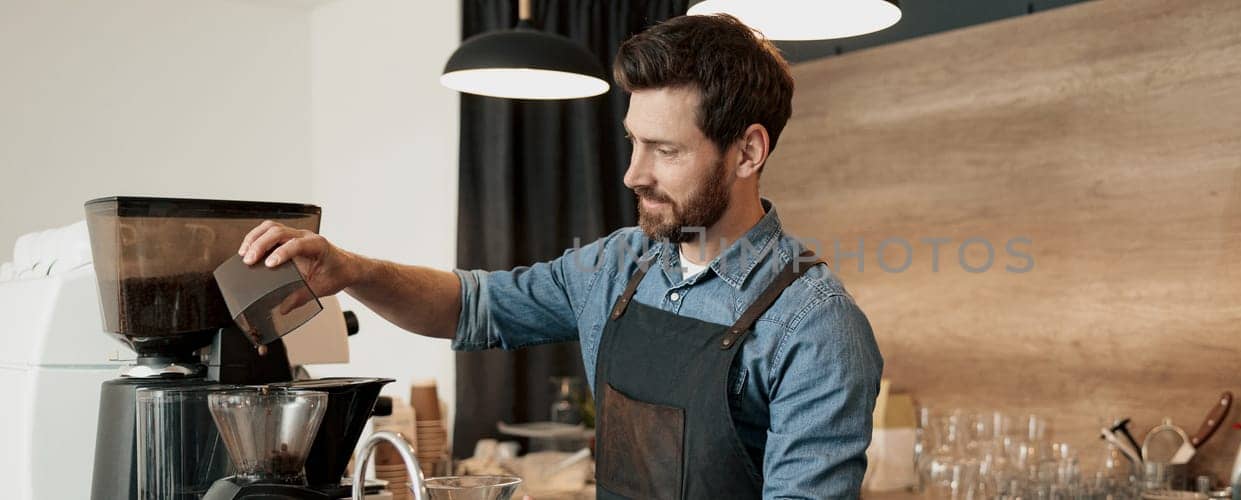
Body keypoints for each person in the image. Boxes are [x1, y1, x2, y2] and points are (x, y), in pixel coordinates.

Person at [237, 14, 883, 499]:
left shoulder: (817, 329)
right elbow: (471, 307)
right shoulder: (618, 267)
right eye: (633, 143)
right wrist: (349, 271)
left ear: (748, 153)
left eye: (666, 151)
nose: (633, 174)